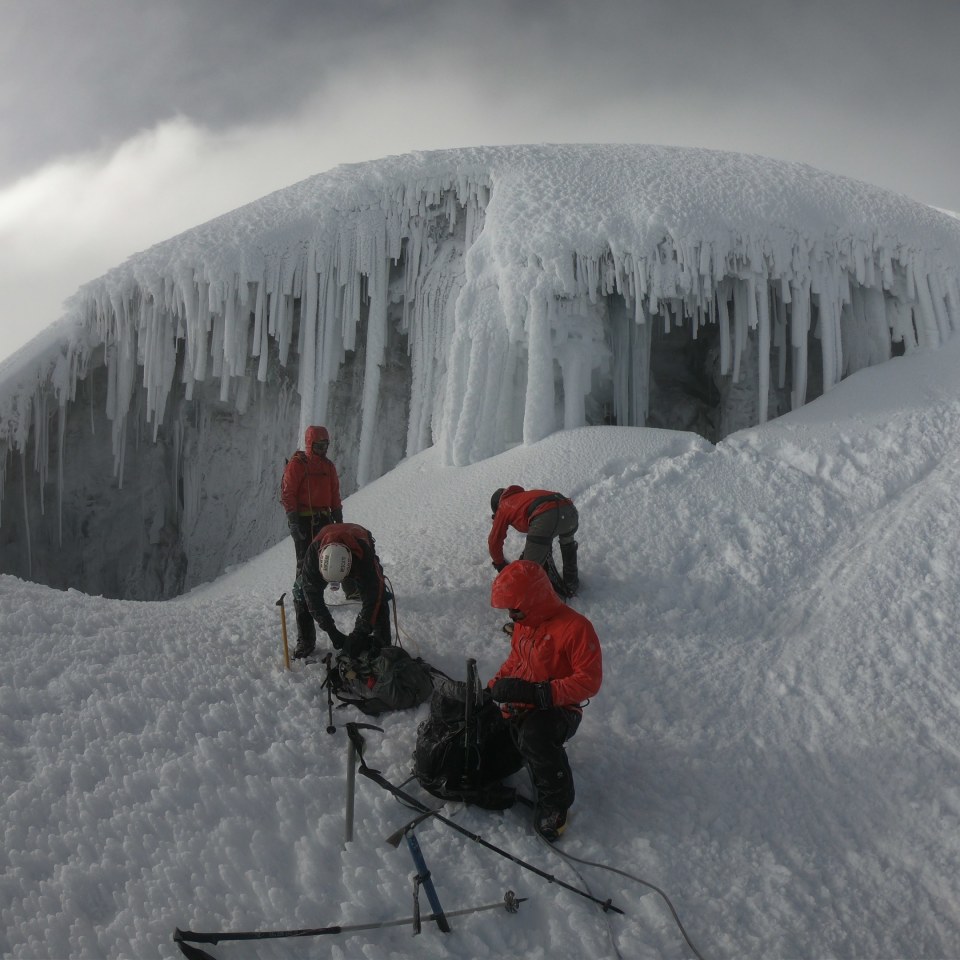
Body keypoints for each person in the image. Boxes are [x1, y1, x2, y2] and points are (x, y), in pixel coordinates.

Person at [487, 560, 602, 841]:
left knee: (535, 735)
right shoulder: (525, 624)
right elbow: (516, 660)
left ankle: (556, 804)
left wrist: (540, 693)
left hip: (561, 707)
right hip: (525, 702)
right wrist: (492, 687)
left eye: (514, 609)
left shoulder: (576, 628)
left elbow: (589, 681)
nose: (511, 616)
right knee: (490, 729)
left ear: (533, 599)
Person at [280, 425, 343, 655]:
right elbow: (288, 492)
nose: (322, 450)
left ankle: (317, 600)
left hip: (324, 522)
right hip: (305, 523)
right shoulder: (298, 464)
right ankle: (305, 639)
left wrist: (338, 517)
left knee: (325, 567)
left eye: (325, 446)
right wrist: (293, 521)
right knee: (304, 575)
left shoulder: (328, 467)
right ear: (310, 445)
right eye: (318, 446)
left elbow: (334, 493)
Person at [296, 522, 392, 659]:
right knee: (302, 594)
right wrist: (331, 631)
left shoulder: (363, 556)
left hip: (357, 537)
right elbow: (311, 595)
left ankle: (382, 644)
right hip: (327, 538)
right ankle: (306, 641)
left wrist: (360, 632)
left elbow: (373, 595)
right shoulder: (312, 557)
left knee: (379, 596)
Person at [488, 486, 579, 595]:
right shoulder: (523, 496)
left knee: (529, 570)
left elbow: (494, 540)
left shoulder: (504, 505)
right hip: (569, 510)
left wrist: (499, 564)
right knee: (567, 544)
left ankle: (542, 598)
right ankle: (571, 583)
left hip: (546, 516)